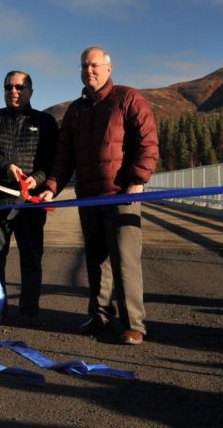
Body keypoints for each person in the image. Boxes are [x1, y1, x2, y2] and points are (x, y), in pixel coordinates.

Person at [38, 47, 159, 345]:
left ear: (109, 68)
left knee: (125, 261)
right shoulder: (76, 111)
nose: (88, 71)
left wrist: (137, 180)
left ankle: (133, 323)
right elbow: (64, 156)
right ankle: (100, 316)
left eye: (94, 65)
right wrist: (51, 186)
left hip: (121, 196)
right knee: (96, 260)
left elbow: (148, 142)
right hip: (88, 197)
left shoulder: (128, 98)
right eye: (83, 66)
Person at [0, 70, 58, 325]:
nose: (14, 92)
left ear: (31, 90)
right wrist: (6, 166)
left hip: (30, 203)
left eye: (20, 87)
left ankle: (29, 309)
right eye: (8, 87)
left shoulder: (45, 122)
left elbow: (52, 161)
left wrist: (38, 179)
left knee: (31, 257)